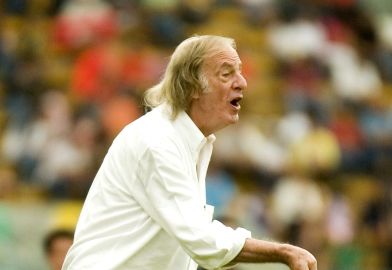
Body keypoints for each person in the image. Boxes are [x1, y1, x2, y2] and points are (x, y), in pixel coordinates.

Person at [62, 35, 317, 270]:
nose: (242, 82)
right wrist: (283, 251)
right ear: (192, 85)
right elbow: (202, 240)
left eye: (239, 73)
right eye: (227, 74)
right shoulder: (158, 141)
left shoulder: (187, 140)